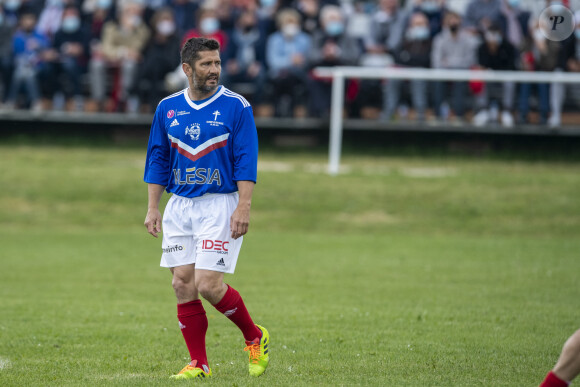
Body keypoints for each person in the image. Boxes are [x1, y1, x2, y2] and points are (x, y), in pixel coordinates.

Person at [143, 37, 269, 380]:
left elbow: (247, 159)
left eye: (216, 63)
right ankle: (198, 363)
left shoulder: (236, 106)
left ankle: (254, 336)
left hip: (219, 204)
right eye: (206, 64)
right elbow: (157, 158)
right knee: (182, 284)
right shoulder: (167, 108)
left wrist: (243, 207)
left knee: (209, 284)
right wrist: (153, 207)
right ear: (187, 69)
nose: (214, 70)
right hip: (179, 206)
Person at [383, 11, 432, 122]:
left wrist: (409, 59)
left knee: (418, 78)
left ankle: (420, 113)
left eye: (422, 24)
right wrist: (411, 60)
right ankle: (388, 112)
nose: (419, 27)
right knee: (392, 78)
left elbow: (426, 60)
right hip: (403, 73)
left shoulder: (430, 42)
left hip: (422, 74)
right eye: (416, 24)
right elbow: (397, 57)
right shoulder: (405, 40)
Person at [430, 10, 478, 122]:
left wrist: (450, 62)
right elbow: (436, 61)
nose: (453, 22)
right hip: (443, 72)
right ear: (445, 22)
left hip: (461, 72)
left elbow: (470, 60)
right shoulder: (440, 38)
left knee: (460, 83)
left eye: (455, 19)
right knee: (438, 83)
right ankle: (438, 115)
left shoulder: (467, 39)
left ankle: (458, 116)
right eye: (450, 20)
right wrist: (453, 63)